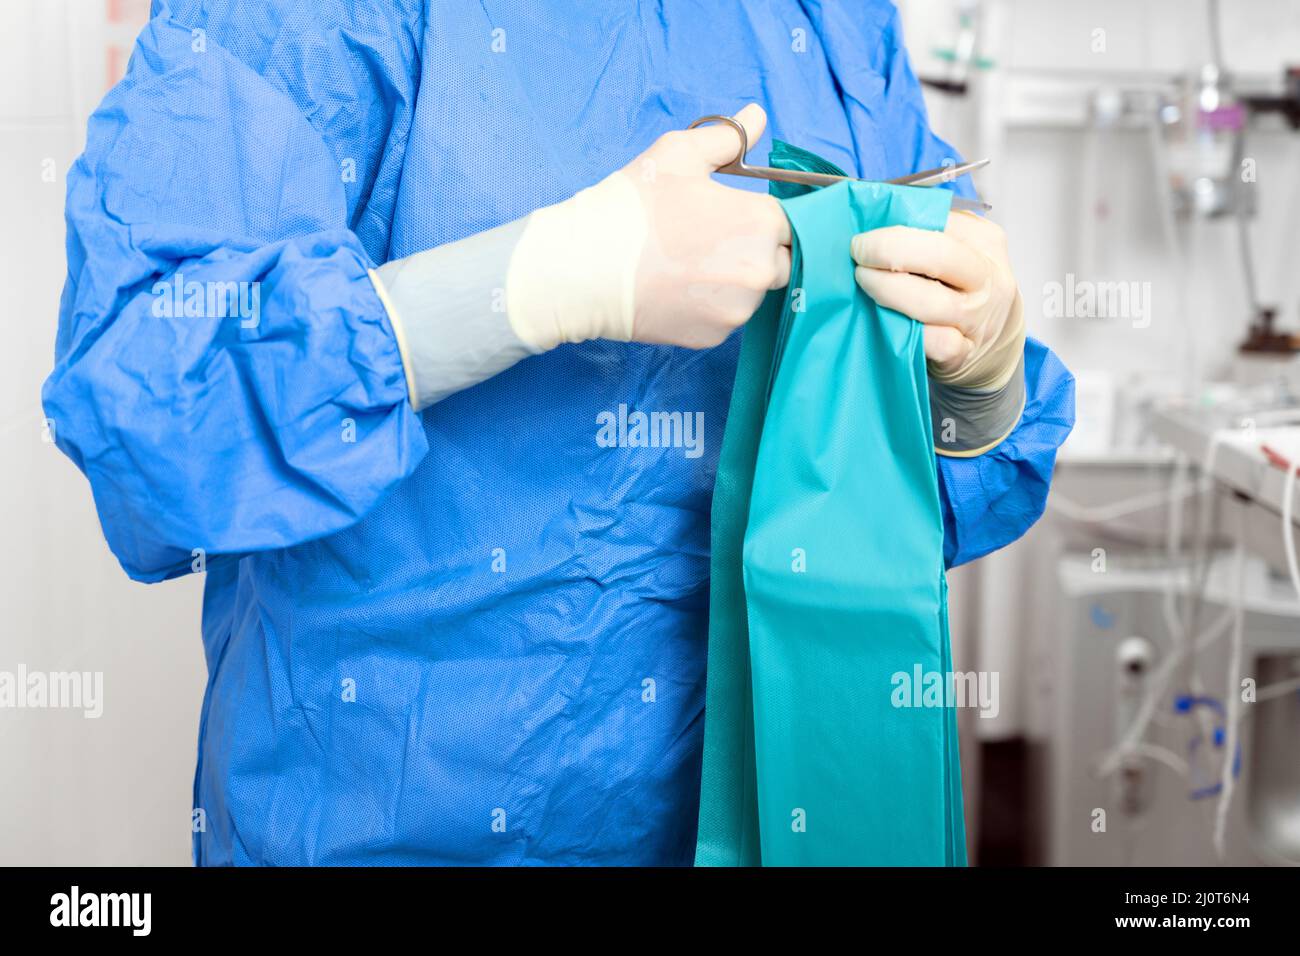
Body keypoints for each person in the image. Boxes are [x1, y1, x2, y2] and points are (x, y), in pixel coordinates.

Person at [44, 0, 1074, 865]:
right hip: (397, 819)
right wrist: (532, 281)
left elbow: (912, 482)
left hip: (789, 808)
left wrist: (971, 381)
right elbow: (151, 399)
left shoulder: (829, 22)